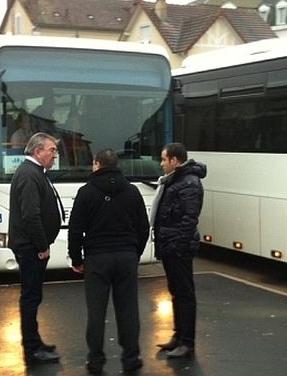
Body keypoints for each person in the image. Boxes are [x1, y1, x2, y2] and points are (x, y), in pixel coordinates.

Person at [68, 148, 149, 375]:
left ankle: (95, 361)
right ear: (117, 165)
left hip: (97, 258)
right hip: (126, 257)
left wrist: (77, 258)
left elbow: (75, 230)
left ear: (97, 164)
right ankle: (131, 358)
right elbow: (143, 227)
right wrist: (135, 253)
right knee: (128, 310)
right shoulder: (132, 192)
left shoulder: (86, 192)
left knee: (96, 312)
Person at [8, 132, 64, 364]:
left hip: (32, 246)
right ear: (37, 151)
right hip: (31, 248)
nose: (55, 155)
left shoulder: (35, 172)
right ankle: (32, 348)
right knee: (31, 297)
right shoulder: (30, 175)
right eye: (52, 150)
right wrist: (42, 246)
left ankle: (35, 341)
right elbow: (31, 215)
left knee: (33, 296)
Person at [150, 142, 206, 358]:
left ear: (175, 160)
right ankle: (178, 335)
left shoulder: (189, 183)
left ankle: (187, 342)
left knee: (185, 294)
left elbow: (189, 218)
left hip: (177, 246)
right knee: (176, 292)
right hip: (169, 243)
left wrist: (179, 245)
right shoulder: (174, 180)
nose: (161, 163)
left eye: (164, 159)